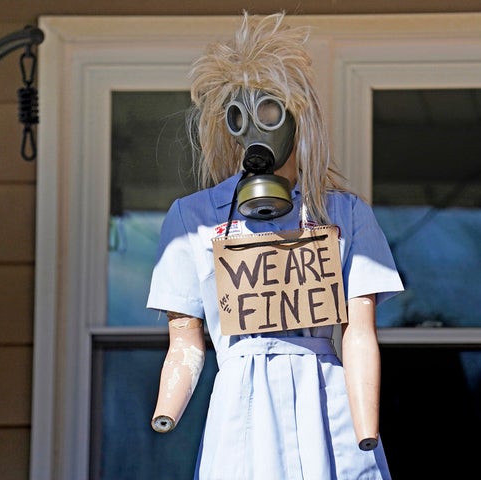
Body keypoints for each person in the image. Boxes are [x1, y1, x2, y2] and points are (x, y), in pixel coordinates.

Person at [147, 11, 403, 479]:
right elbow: (185, 339)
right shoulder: (194, 218)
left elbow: (359, 332)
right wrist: (168, 405)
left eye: (269, 111)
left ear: (296, 115)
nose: (255, 131)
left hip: (325, 398)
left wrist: (366, 424)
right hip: (241, 405)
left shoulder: (342, 215)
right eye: (239, 117)